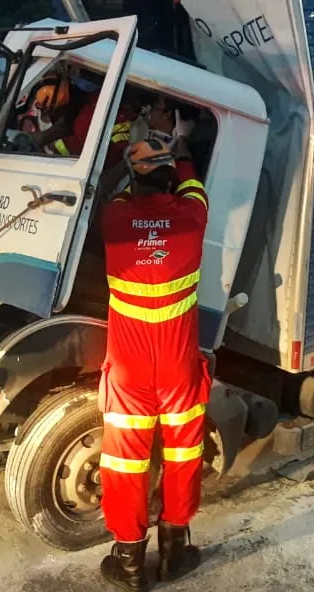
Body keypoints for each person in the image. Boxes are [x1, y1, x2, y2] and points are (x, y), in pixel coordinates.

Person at [96, 135, 210, 590]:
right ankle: (175, 551)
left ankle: (128, 563)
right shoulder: (192, 216)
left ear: (134, 179)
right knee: (183, 456)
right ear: (170, 177)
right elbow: (193, 187)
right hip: (179, 365)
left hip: (129, 369)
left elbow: (116, 190)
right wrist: (181, 150)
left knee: (125, 464)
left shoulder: (116, 218)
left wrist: (131, 160)